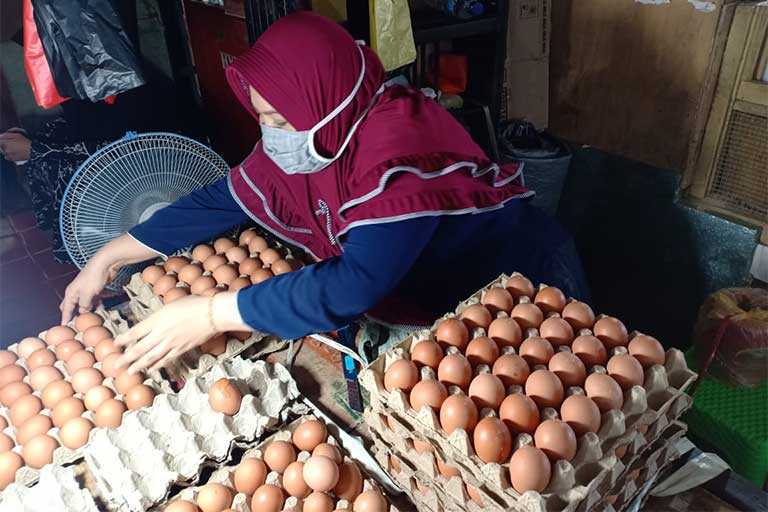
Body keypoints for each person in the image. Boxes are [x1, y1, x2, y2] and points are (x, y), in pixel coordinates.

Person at [60, 12, 589, 374]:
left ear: (324, 101)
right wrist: (112, 254)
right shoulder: (319, 130)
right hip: (431, 290)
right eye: (262, 116)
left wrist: (213, 312)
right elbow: (222, 198)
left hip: (513, 281)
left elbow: (352, 283)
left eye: (278, 117)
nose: (270, 133)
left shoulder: (398, 152)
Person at [0, 77, 181, 262]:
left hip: (143, 170)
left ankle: (115, 255)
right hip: (113, 164)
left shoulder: (125, 90)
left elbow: (130, 146)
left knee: (64, 166)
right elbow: (81, 126)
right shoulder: (75, 83)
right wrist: (31, 143)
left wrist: (36, 150)